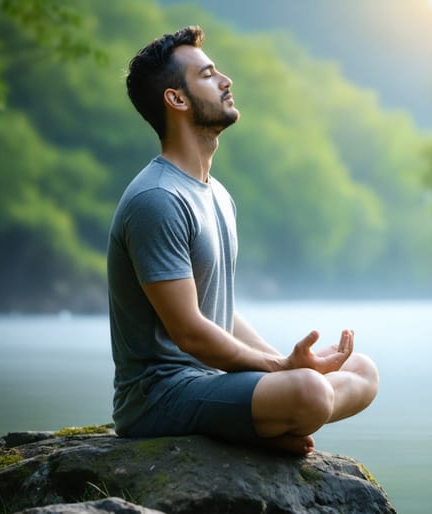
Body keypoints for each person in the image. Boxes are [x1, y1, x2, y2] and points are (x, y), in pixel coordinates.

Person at [107, 25, 379, 455]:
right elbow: (191, 333)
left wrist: (288, 367)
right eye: (208, 74)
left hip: (215, 383)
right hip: (159, 398)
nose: (226, 80)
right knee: (310, 393)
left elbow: (220, 314)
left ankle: (261, 423)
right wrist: (283, 370)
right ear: (176, 99)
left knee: (363, 372)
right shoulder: (157, 199)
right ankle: (265, 423)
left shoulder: (217, 194)